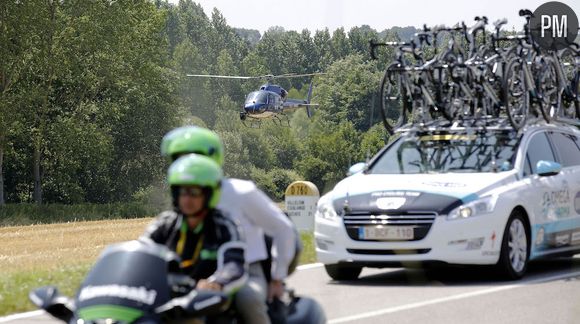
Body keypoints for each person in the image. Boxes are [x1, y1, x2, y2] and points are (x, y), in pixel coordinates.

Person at [161, 126, 298, 324]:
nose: (188, 164)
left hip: (245, 271)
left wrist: (277, 278)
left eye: (194, 157)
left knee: (248, 299)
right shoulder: (182, 197)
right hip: (190, 275)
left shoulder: (242, 193)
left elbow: (282, 228)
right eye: (180, 159)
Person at [141, 154, 247, 296]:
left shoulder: (225, 226)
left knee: (249, 301)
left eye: (194, 192)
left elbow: (234, 264)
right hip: (165, 296)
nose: (186, 199)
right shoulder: (165, 223)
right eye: (182, 192)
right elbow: (140, 251)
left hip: (209, 301)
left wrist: (217, 282)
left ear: (209, 194)